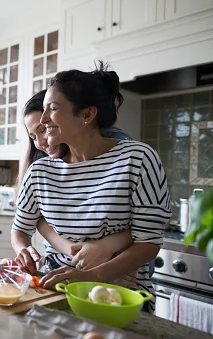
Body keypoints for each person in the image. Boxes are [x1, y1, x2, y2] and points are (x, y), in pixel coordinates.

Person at [12, 61, 171, 313]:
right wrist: (26, 252)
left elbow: (148, 243)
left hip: (118, 298)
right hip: (56, 291)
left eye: (52, 109)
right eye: (43, 110)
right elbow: (21, 229)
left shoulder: (137, 158)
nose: (43, 120)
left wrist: (94, 276)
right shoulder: (40, 171)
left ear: (86, 115)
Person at [13, 89, 134, 276]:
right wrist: (72, 251)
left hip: (119, 268)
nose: (41, 142)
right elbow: (30, 220)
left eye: (44, 128)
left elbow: (149, 225)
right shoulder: (41, 166)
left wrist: (105, 257)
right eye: (33, 136)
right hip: (64, 265)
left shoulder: (119, 150)